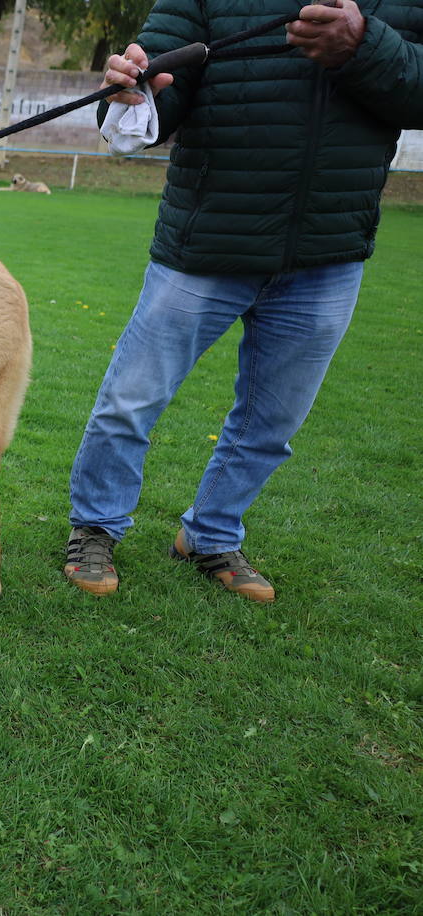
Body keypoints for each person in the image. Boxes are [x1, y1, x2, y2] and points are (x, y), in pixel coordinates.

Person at [64, 0, 423, 601]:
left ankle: (209, 536)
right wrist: (132, 93)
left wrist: (365, 44)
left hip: (328, 253)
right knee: (131, 401)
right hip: (204, 244)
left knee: (270, 425)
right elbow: (159, 81)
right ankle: (96, 528)